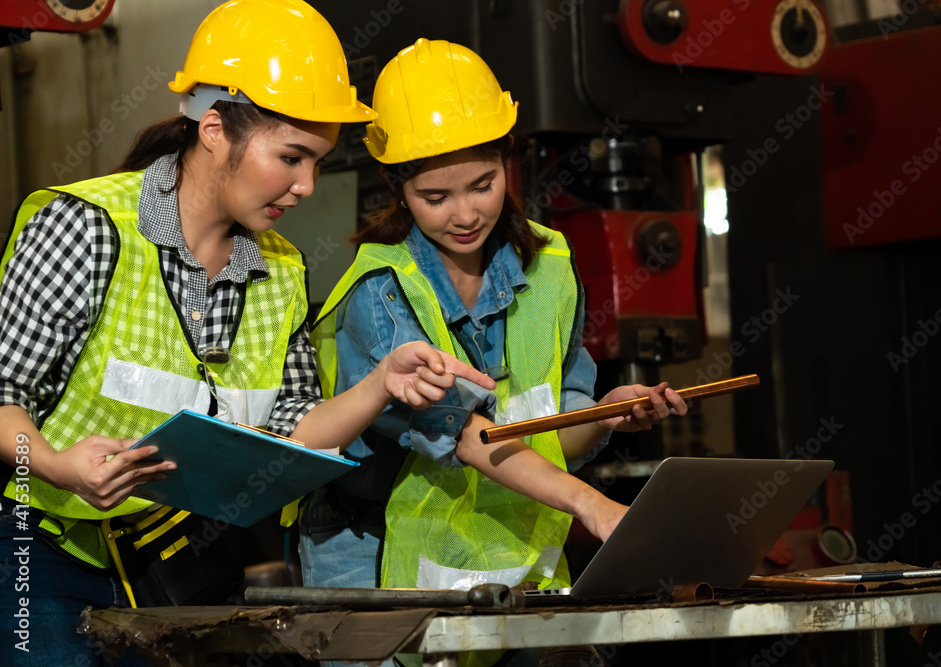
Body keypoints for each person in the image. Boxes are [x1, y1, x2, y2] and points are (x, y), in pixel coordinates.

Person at [0, 7, 494, 666]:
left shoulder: (283, 268)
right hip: (42, 545)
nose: (306, 186)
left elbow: (292, 429)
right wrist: (59, 465)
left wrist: (380, 385)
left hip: (180, 553)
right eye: (291, 157)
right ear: (213, 129)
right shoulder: (88, 230)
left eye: (317, 161)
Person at [300, 38, 688, 667]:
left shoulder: (551, 265)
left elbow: (550, 434)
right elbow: (461, 434)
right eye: (436, 197)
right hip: (367, 543)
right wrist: (589, 503)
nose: (465, 213)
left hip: (503, 533)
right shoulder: (383, 289)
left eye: (483, 185)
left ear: (509, 163)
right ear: (398, 187)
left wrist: (605, 414)